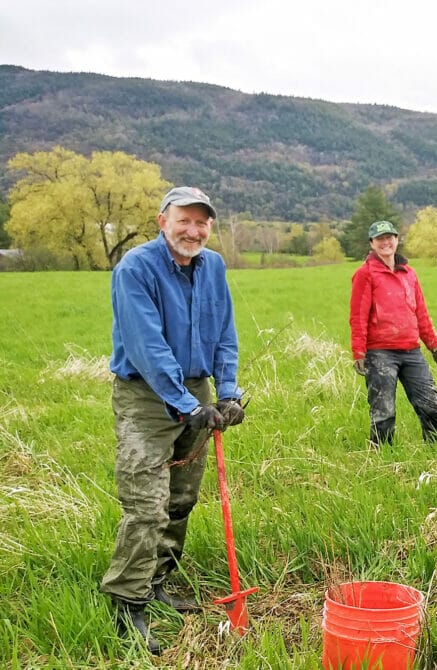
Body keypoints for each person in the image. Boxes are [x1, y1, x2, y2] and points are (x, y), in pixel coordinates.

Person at [103, 186, 246, 654]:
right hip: (148, 396)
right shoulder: (135, 270)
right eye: (184, 219)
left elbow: (225, 331)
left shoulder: (214, 266)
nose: (194, 230)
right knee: (146, 504)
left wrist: (227, 394)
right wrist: (186, 404)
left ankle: (159, 581)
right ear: (162, 221)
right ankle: (128, 602)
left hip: (197, 391)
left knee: (182, 498)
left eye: (201, 222)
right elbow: (146, 346)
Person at [350, 220, 437, 444]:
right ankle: (383, 457)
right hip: (380, 352)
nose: (386, 242)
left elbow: (421, 314)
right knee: (384, 410)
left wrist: (435, 347)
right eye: (380, 239)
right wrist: (359, 351)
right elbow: (358, 316)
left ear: (397, 240)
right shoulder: (365, 274)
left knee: (429, 405)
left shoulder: (409, 274)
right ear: (372, 243)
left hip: (411, 351)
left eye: (389, 237)